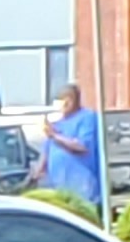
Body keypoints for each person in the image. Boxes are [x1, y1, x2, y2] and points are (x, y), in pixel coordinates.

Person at [40, 83, 105, 216]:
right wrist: (37, 172)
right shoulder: (57, 124)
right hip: (59, 187)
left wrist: (55, 136)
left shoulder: (87, 118)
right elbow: (46, 153)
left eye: (70, 98)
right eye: (63, 99)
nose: (66, 103)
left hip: (82, 187)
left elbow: (81, 146)